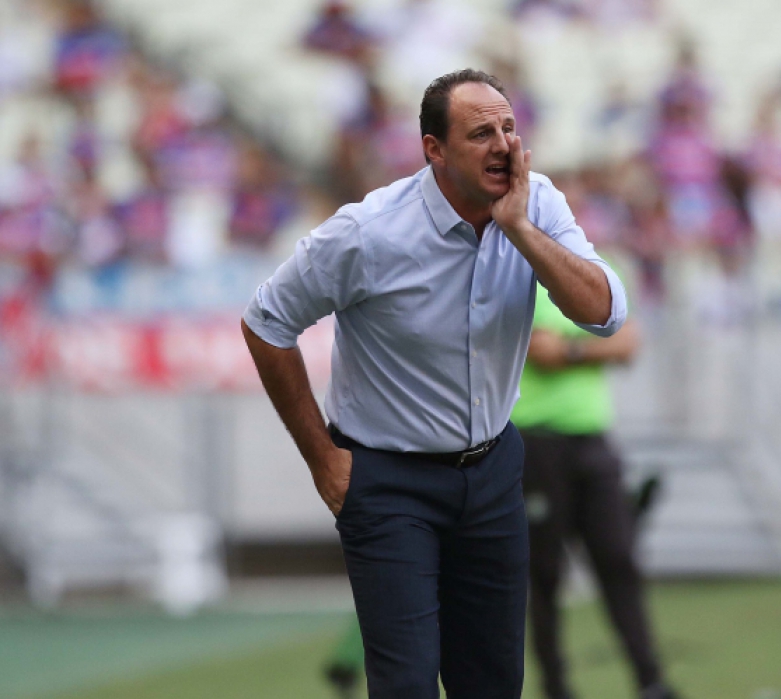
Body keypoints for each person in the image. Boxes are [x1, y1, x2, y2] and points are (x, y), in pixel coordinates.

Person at [241, 69, 627, 699]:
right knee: (407, 685)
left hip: (494, 471)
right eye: (480, 134)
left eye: (508, 128)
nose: (503, 145)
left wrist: (521, 230)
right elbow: (265, 323)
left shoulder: (538, 203)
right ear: (434, 149)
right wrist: (324, 462)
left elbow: (605, 313)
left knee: (492, 684)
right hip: (389, 482)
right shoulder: (367, 232)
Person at [513, 290, 679, 699]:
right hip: (537, 441)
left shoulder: (599, 270)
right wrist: (597, 346)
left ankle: (650, 681)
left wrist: (570, 349)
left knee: (619, 558)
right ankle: (556, 687)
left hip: (592, 439)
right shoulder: (519, 274)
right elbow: (541, 353)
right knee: (545, 573)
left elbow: (628, 343)